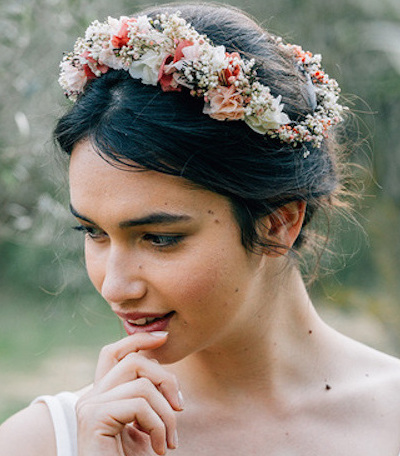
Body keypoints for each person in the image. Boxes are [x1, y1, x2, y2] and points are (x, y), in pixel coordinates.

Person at [1, 3, 400, 455]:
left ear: (280, 221)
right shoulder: (44, 442)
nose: (115, 286)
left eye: (159, 238)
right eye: (94, 233)